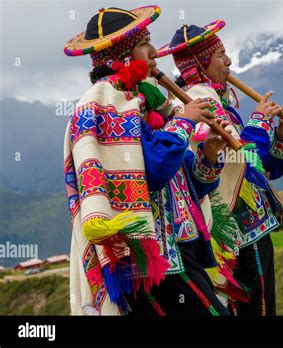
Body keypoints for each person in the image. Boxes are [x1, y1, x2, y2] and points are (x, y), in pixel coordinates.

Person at [64, 5, 230, 316]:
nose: (154, 53)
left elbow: (186, 185)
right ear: (123, 56)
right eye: (144, 44)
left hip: (180, 248)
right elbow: (154, 172)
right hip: (149, 262)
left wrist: (207, 155)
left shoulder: (146, 102)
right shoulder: (105, 104)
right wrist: (184, 121)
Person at [157, 21, 283, 316]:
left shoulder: (216, 101)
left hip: (249, 231)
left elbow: (264, 173)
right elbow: (239, 160)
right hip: (236, 235)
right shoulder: (198, 102)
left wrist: (282, 139)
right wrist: (260, 121)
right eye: (221, 55)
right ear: (200, 62)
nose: (229, 61)